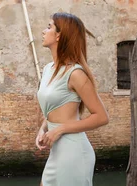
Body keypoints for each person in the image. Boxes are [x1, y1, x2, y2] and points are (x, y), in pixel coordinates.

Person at [35, 12, 110, 186]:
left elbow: (101, 117)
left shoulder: (75, 73)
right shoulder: (47, 69)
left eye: (49, 27)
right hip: (57, 151)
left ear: (59, 35)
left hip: (74, 153)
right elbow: (56, 108)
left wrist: (59, 130)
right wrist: (43, 128)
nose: (43, 31)